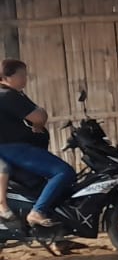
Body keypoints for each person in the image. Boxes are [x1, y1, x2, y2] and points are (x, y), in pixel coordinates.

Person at [0, 59, 74, 228]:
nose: (25, 79)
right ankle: (37, 212)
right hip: (15, 148)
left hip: (13, 149)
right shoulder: (7, 95)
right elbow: (39, 116)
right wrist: (39, 120)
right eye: (22, 75)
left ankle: (53, 227)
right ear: (7, 77)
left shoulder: (14, 94)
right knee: (63, 172)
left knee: (40, 184)